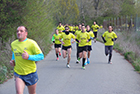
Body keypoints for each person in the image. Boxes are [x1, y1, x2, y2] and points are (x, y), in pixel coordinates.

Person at [10, 26, 44, 94]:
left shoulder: (32, 43)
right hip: (19, 73)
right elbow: (14, 54)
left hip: (30, 73)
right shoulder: (13, 44)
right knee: (19, 92)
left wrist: (29, 57)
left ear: (26, 33)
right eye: (17, 31)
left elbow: (41, 56)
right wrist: (12, 61)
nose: (19, 32)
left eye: (21, 31)